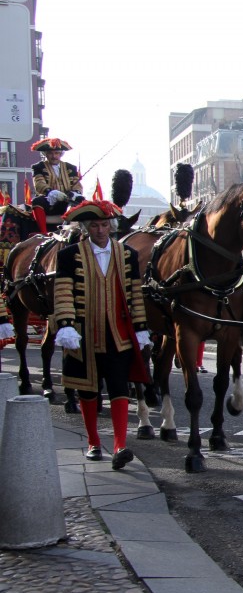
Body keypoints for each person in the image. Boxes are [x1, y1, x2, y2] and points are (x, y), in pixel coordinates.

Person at [53, 200, 152, 470]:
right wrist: (66, 324)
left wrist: (141, 328)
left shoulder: (128, 254)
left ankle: (120, 444)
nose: (100, 230)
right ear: (86, 228)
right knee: (88, 389)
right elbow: (63, 292)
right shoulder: (69, 255)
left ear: (111, 226)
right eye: (94, 225)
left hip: (117, 334)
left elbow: (135, 295)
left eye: (104, 224)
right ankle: (94, 442)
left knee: (120, 387)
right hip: (83, 335)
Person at [30, 137, 84, 228]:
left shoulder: (71, 167)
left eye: (56, 153)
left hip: (67, 199)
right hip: (48, 198)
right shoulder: (38, 167)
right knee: (37, 201)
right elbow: (39, 183)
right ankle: (43, 232)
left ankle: (81, 230)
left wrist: (74, 193)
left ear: (61, 154)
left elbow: (77, 184)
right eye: (50, 153)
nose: (54, 156)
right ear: (45, 154)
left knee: (82, 201)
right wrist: (51, 192)